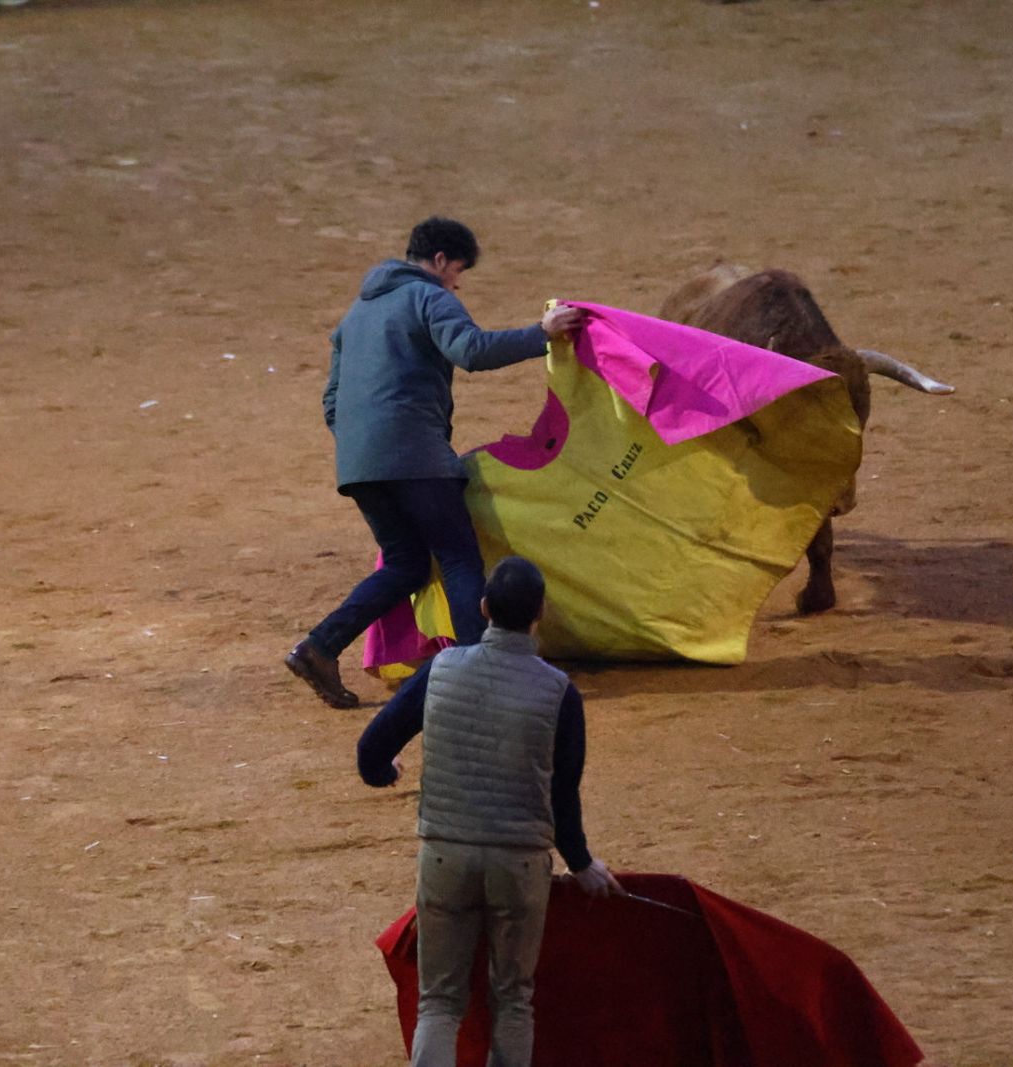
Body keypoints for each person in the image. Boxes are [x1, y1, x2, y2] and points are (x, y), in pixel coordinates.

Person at [286, 217, 583, 709]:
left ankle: (319, 646)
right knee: (459, 557)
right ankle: (478, 677)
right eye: (458, 271)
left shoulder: (355, 315)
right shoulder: (429, 297)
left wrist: (366, 442)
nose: (457, 283)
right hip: (415, 456)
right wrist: (542, 334)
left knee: (404, 564)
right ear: (441, 260)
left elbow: (332, 401)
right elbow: (470, 350)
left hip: (359, 465)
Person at [356, 556, 622, 1067]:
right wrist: (583, 863)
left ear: (483, 609)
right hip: (519, 865)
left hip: (445, 858)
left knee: (439, 1002)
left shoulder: (442, 669)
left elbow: (372, 749)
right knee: (513, 1000)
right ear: (539, 612)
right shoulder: (560, 693)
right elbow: (563, 796)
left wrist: (386, 771)